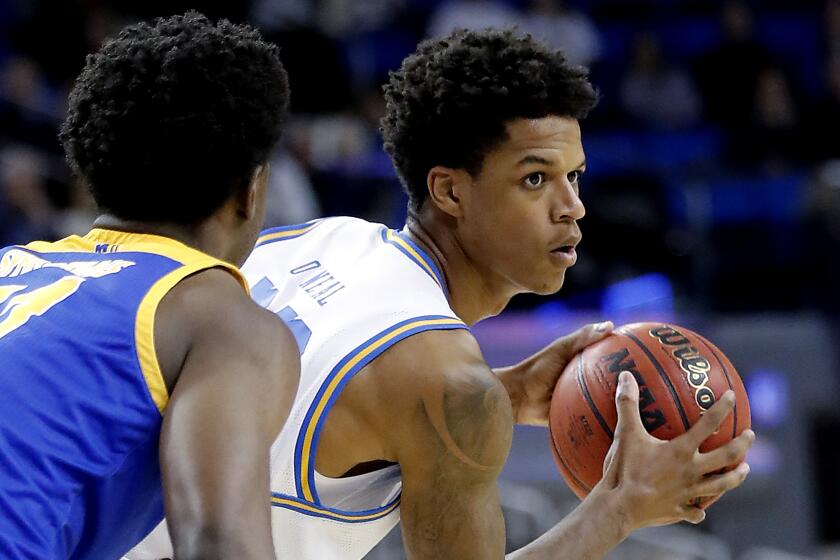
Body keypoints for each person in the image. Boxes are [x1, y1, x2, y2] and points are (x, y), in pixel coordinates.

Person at [131, 28, 754, 559]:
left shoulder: (326, 238)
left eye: (575, 176)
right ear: (451, 192)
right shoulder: (447, 380)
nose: (574, 208)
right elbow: (411, 388)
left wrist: (507, 393)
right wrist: (621, 509)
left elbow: (340, 403)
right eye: (535, 179)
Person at [0, 12, 299, 559]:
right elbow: (220, 545)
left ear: (88, 177)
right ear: (250, 192)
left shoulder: (11, 265)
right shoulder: (217, 316)